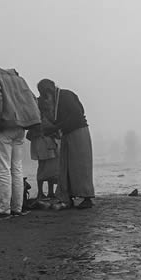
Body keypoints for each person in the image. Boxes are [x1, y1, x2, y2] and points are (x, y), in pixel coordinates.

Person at [0, 60, 41, 218]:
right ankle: (17, 207)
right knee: (17, 168)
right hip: (20, 127)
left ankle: (4, 208)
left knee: (3, 169)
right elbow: (32, 98)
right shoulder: (17, 78)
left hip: (3, 126)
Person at [38, 79, 95, 209]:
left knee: (81, 166)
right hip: (67, 133)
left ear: (49, 91)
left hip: (79, 132)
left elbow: (77, 114)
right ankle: (67, 197)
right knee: (65, 166)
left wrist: (55, 127)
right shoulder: (56, 99)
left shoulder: (66, 96)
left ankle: (87, 197)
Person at [27, 92, 60, 199]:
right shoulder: (42, 113)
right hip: (42, 139)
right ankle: (42, 192)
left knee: (46, 166)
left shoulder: (36, 112)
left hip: (44, 139)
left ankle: (46, 192)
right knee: (45, 166)